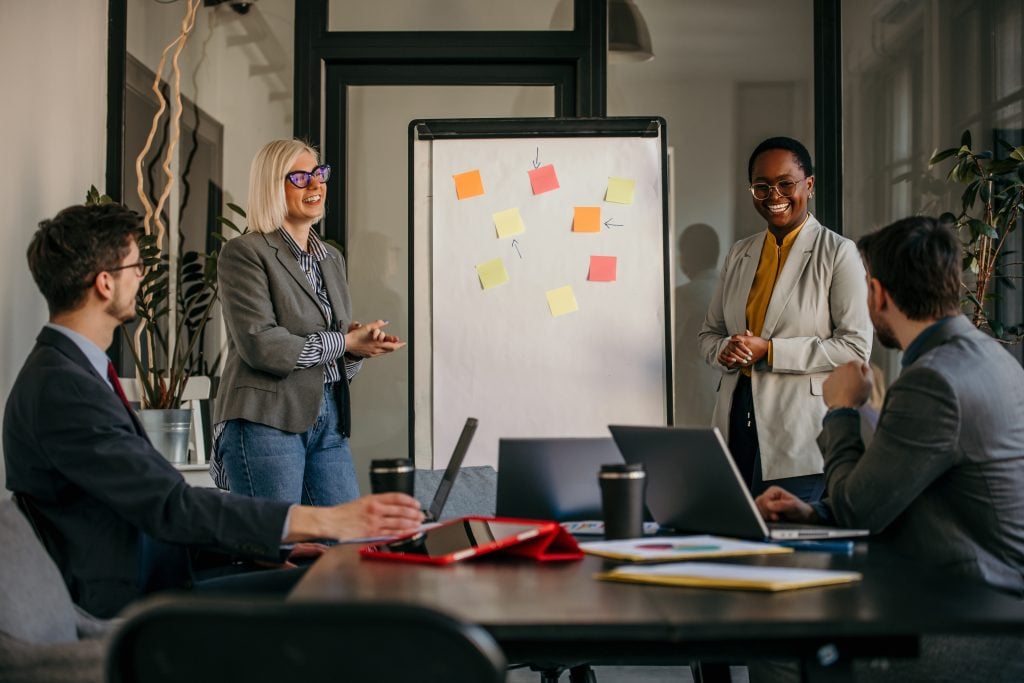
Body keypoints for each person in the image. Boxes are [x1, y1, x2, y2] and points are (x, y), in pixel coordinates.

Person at [2, 202, 423, 618]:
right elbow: (169, 505)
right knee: (350, 584)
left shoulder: (70, 371)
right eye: (136, 268)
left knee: (334, 569)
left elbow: (150, 503)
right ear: (105, 284)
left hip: (170, 569)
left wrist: (266, 544)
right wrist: (329, 522)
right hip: (139, 602)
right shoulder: (64, 388)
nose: (143, 278)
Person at [755, 216, 1024, 681]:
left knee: (774, 647)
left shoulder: (934, 381)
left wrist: (840, 408)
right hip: (986, 599)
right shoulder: (987, 355)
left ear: (878, 295)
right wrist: (814, 512)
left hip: (969, 618)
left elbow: (859, 512)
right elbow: (896, 486)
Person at [213, 139, 405, 506]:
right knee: (278, 547)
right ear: (272, 186)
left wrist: (358, 350)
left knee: (345, 546)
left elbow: (329, 359)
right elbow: (262, 345)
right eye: (300, 177)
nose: (316, 185)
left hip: (328, 418)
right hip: (265, 421)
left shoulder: (331, 258)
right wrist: (345, 343)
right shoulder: (245, 253)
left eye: (319, 174)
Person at [697, 137, 872, 502]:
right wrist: (724, 351)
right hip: (736, 416)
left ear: (808, 185)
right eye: (761, 186)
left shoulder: (838, 252)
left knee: (788, 544)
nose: (773, 194)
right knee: (738, 536)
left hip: (799, 430)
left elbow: (856, 347)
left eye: (785, 183)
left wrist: (771, 351)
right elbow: (709, 334)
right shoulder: (739, 253)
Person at [674, 223, 720, 427]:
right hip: (720, 386)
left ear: (688, 256)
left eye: (681, 253)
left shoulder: (684, 295)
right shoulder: (731, 290)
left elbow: (667, 344)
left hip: (690, 387)